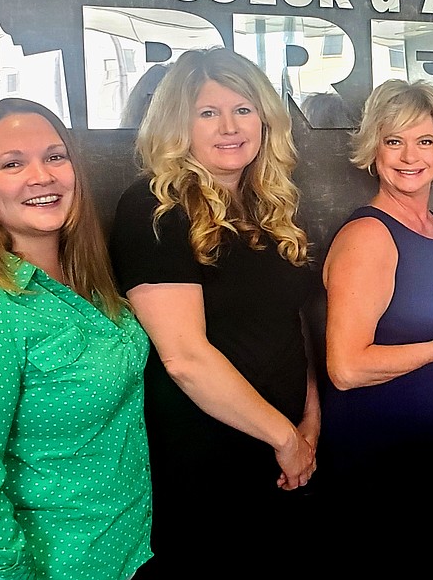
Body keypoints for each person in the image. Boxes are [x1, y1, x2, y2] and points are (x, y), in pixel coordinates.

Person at [0, 98, 150, 579]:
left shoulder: (81, 271)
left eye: (55, 156)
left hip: (124, 552)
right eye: (12, 164)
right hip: (56, 567)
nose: (41, 176)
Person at [108, 48, 318, 575]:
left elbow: (290, 324)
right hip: (206, 457)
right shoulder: (153, 210)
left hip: (285, 448)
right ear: (179, 123)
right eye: (208, 113)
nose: (229, 126)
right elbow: (184, 358)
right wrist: (285, 436)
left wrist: (310, 420)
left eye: (243, 109)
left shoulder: (272, 207)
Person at [317, 79, 433, 577]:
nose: (410, 156)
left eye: (424, 141)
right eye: (393, 141)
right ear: (373, 150)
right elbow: (346, 367)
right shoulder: (368, 235)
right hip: (380, 462)